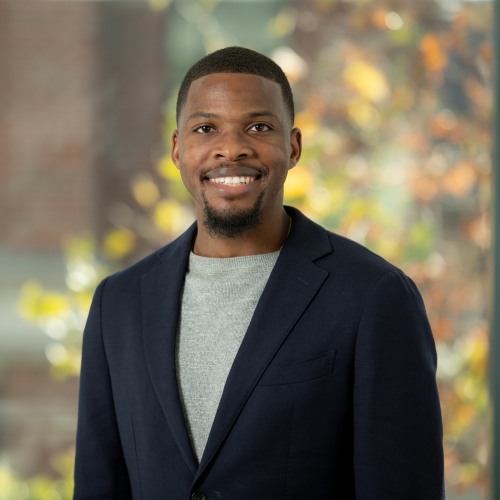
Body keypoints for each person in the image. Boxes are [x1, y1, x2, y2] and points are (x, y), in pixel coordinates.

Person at [74, 46, 444, 499]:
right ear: (177, 149)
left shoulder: (374, 297)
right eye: (206, 128)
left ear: (293, 147)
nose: (231, 148)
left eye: (258, 127)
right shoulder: (120, 303)